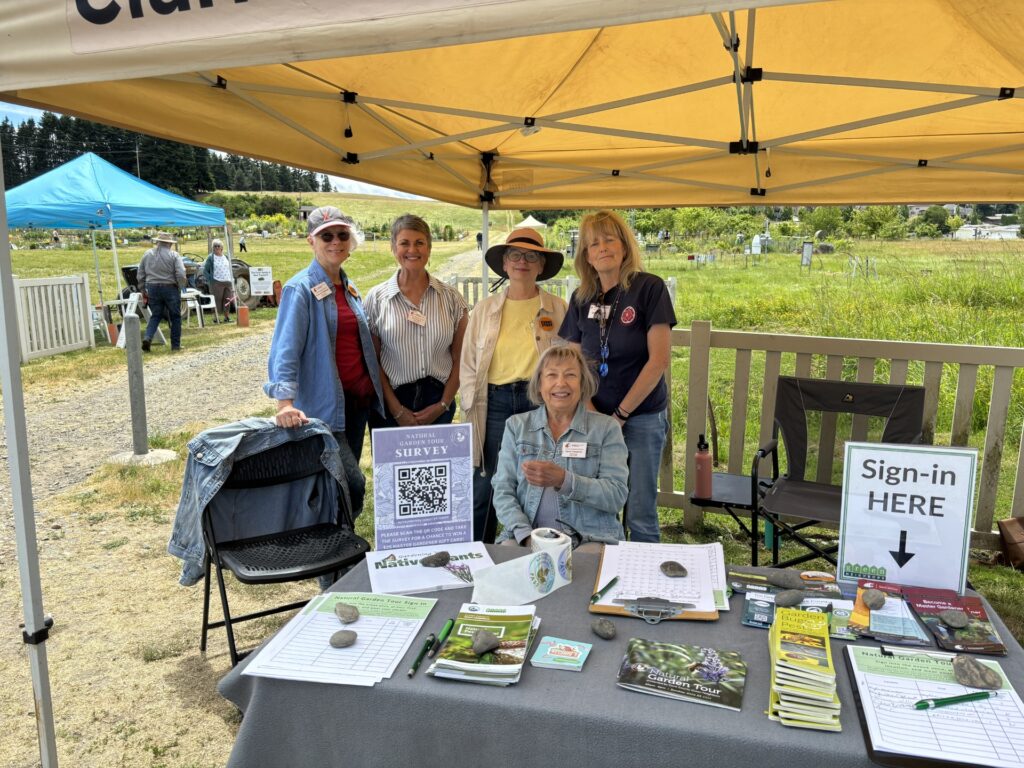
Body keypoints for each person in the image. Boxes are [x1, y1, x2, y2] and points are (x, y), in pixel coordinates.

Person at [559, 209, 676, 543]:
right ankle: (602, 569)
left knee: (640, 510)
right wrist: (594, 413)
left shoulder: (649, 288)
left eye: (609, 240)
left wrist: (620, 416)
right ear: (586, 256)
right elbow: (572, 364)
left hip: (641, 418)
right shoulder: (581, 298)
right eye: (593, 244)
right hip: (594, 417)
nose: (602, 248)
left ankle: (642, 573)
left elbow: (658, 361)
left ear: (624, 246)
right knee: (598, 504)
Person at [460, 228, 567, 541]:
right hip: (494, 403)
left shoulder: (558, 309)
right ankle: (480, 551)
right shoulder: (484, 310)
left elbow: (569, 360)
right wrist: (470, 404)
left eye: (531, 256)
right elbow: (468, 363)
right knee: (487, 479)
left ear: (541, 266)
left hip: (539, 404)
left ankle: (535, 547)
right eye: (515, 255)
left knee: (537, 477)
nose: (522, 261)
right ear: (505, 264)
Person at [264, 206, 384, 464]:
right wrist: (284, 403)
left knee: (344, 482)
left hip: (357, 403)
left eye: (342, 235)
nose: (336, 242)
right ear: (311, 241)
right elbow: (285, 349)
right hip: (325, 406)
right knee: (349, 481)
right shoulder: (299, 289)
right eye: (326, 236)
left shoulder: (349, 287)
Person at [491, 344, 628, 548]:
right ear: (539, 384)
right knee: (509, 553)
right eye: (551, 375)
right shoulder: (516, 426)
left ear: (582, 384)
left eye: (570, 375)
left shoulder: (606, 428)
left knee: (587, 562)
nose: (561, 383)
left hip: (589, 539)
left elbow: (616, 496)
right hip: (527, 535)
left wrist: (565, 480)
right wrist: (525, 535)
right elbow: (503, 490)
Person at [364, 214, 467, 428]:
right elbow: (373, 362)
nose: (412, 250)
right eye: (404, 243)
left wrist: (443, 404)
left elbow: (461, 358)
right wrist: (396, 410)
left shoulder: (452, 299)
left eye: (419, 243)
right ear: (393, 247)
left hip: (438, 402)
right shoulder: (376, 299)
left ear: (429, 248)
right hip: (391, 403)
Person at [138, 231, 186, 352]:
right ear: (169, 244)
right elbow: (181, 274)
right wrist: (181, 286)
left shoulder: (147, 254)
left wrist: (143, 289)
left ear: (158, 242)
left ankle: (148, 337)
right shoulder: (174, 255)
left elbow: (140, 273)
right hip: (170, 287)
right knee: (175, 316)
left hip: (152, 287)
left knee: (156, 315)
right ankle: (175, 345)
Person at [202, 238, 235, 323]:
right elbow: (205, 271)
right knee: (217, 300)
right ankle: (215, 318)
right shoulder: (210, 258)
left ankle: (226, 317)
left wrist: (232, 278)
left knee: (227, 300)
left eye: (218, 246)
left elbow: (229, 268)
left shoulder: (226, 257)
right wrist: (211, 280)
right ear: (213, 248)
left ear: (221, 247)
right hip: (216, 282)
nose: (216, 247)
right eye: (215, 246)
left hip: (228, 282)